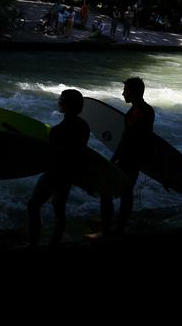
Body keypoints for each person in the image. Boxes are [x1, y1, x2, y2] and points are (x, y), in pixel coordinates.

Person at [28, 89, 89, 247]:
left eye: (61, 101)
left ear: (67, 106)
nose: (59, 103)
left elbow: (50, 156)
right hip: (70, 173)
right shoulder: (84, 126)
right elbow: (81, 152)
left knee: (33, 205)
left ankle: (33, 243)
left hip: (55, 173)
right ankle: (54, 242)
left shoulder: (57, 131)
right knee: (59, 208)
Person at [99, 78, 154, 236]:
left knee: (107, 190)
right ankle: (118, 227)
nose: (123, 93)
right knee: (125, 192)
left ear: (134, 92)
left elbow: (129, 138)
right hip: (133, 158)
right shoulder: (142, 109)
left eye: (126, 90)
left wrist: (115, 158)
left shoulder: (139, 111)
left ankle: (109, 229)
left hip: (130, 158)